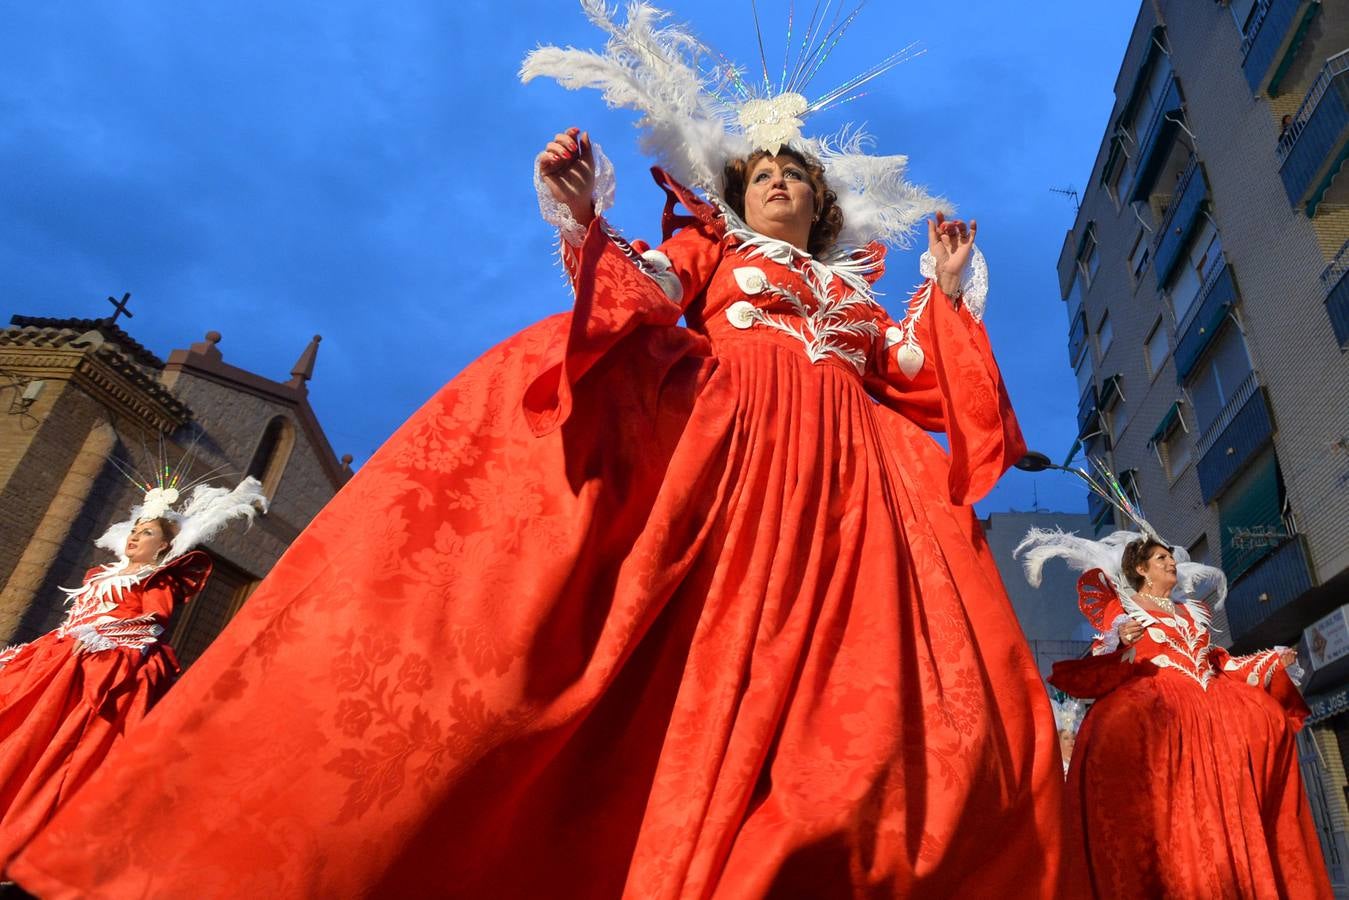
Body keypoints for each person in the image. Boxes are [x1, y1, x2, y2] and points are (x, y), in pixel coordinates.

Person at [10, 7, 1064, 897]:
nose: (781, 181)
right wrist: (581, 216)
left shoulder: (853, 292)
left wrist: (942, 284)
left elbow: (924, 374)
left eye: (798, 173)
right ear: (736, 192)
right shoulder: (708, 253)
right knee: (674, 654)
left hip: (859, 493)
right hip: (728, 456)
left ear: (823, 202)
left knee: (874, 690)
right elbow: (630, 301)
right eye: (765, 171)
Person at [1022, 530, 1331, 898]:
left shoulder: (1193, 610)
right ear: (1141, 568)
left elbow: (1219, 663)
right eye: (1160, 559)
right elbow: (1111, 656)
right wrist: (1124, 639)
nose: (1171, 562)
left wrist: (1271, 659)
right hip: (1160, 695)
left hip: (1210, 700)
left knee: (1267, 718)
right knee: (1117, 729)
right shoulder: (1124, 608)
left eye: (1170, 557)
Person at [0, 476, 265, 871]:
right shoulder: (99, 575)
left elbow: (152, 622)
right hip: (61, 655)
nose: (135, 538)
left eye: (148, 533)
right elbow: (76, 619)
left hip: (110, 664)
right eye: (135, 530)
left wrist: (100, 636)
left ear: (164, 545)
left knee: (70, 739)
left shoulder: (157, 578)